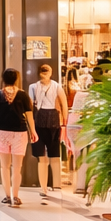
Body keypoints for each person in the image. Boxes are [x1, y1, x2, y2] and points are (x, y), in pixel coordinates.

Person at [0, 67, 37, 207]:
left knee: (4, 167)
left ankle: (7, 196)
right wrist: (33, 132)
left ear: (3, 79)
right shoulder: (23, 95)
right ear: (16, 79)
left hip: (1, 132)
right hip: (19, 132)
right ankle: (16, 196)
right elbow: (29, 116)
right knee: (17, 167)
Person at [28, 63, 68, 201]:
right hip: (39, 120)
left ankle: (56, 185)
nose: (45, 72)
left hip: (53, 121)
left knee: (54, 155)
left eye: (47, 70)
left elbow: (64, 105)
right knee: (42, 157)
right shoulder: (33, 87)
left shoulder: (56, 86)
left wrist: (64, 124)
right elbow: (30, 106)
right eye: (43, 70)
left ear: (51, 72)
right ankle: (43, 187)